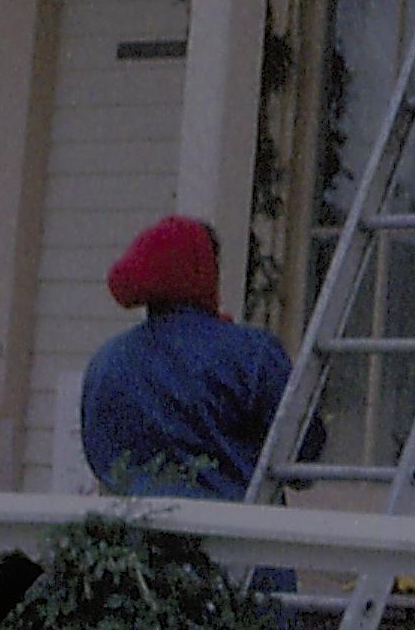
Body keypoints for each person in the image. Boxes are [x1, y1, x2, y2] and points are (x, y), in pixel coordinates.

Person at [77, 214, 301, 502]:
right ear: (203, 273)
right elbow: (300, 457)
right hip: (237, 538)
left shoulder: (104, 364)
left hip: (131, 539)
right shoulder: (251, 353)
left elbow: (101, 459)